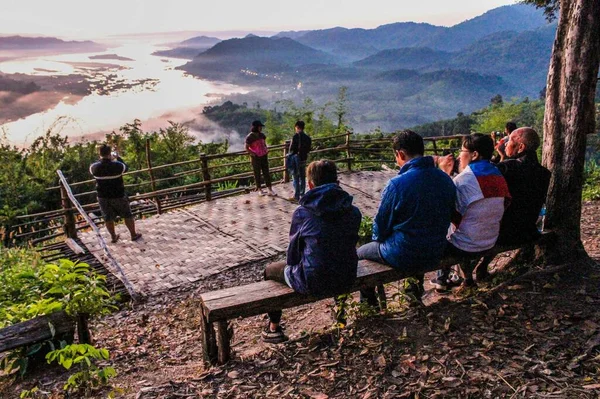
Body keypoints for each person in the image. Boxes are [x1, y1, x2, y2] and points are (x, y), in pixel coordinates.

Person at [262, 160, 362, 343]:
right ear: (337, 182)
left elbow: (292, 256)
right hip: (348, 275)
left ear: (310, 185)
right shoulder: (353, 210)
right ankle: (341, 316)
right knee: (336, 258)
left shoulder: (303, 212)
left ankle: (273, 328)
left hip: (313, 281)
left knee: (270, 270)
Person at [357, 130, 456, 307]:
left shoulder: (397, 184)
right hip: (437, 249)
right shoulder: (445, 179)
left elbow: (380, 228)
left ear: (400, 154)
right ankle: (413, 294)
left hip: (404, 253)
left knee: (361, 253)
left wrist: (382, 239)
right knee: (417, 239)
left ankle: (370, 305)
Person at [432, 133, 511, 291]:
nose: (459, 156)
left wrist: (444, 175)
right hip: (490, 239)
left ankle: (441, 280)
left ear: (474, 155)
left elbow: (443, 213)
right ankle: (464, 279)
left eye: (462, 151)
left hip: (468, 245)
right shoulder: (498, 176)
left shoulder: (464, 180)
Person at [89, 144, 141, 244]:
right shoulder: (117, 166)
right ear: (109, 153)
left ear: (99, 154)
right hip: (118, 195)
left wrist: (102, 160)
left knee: (107, 217)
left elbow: (94, 166)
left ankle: (113, 236)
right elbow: (125, 167)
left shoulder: (94, 168)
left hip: (103, 197)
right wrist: (117, 157)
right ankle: (133, 234)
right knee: (127, 215)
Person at [245, 120, 276, 196]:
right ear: (255, 127)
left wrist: (266, 149)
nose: (261, 128)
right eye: (259, 127)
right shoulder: (250, 137)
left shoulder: (262, 135)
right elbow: (246, 147)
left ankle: (269, 189)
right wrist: (253, 154)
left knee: (266, 173)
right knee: (257, 173)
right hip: (256, 158)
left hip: (264, 156)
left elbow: (264, 144)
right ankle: (259, 189)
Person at [288, 120, 312, 201]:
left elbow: (291, 150)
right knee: (302, 177)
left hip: (296, 160)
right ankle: (302, 194)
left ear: (297, 127)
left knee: (295, 177)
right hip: (303, 159)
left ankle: (296, 196)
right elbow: (309, 149)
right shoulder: (308, 138)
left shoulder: (295, 137)